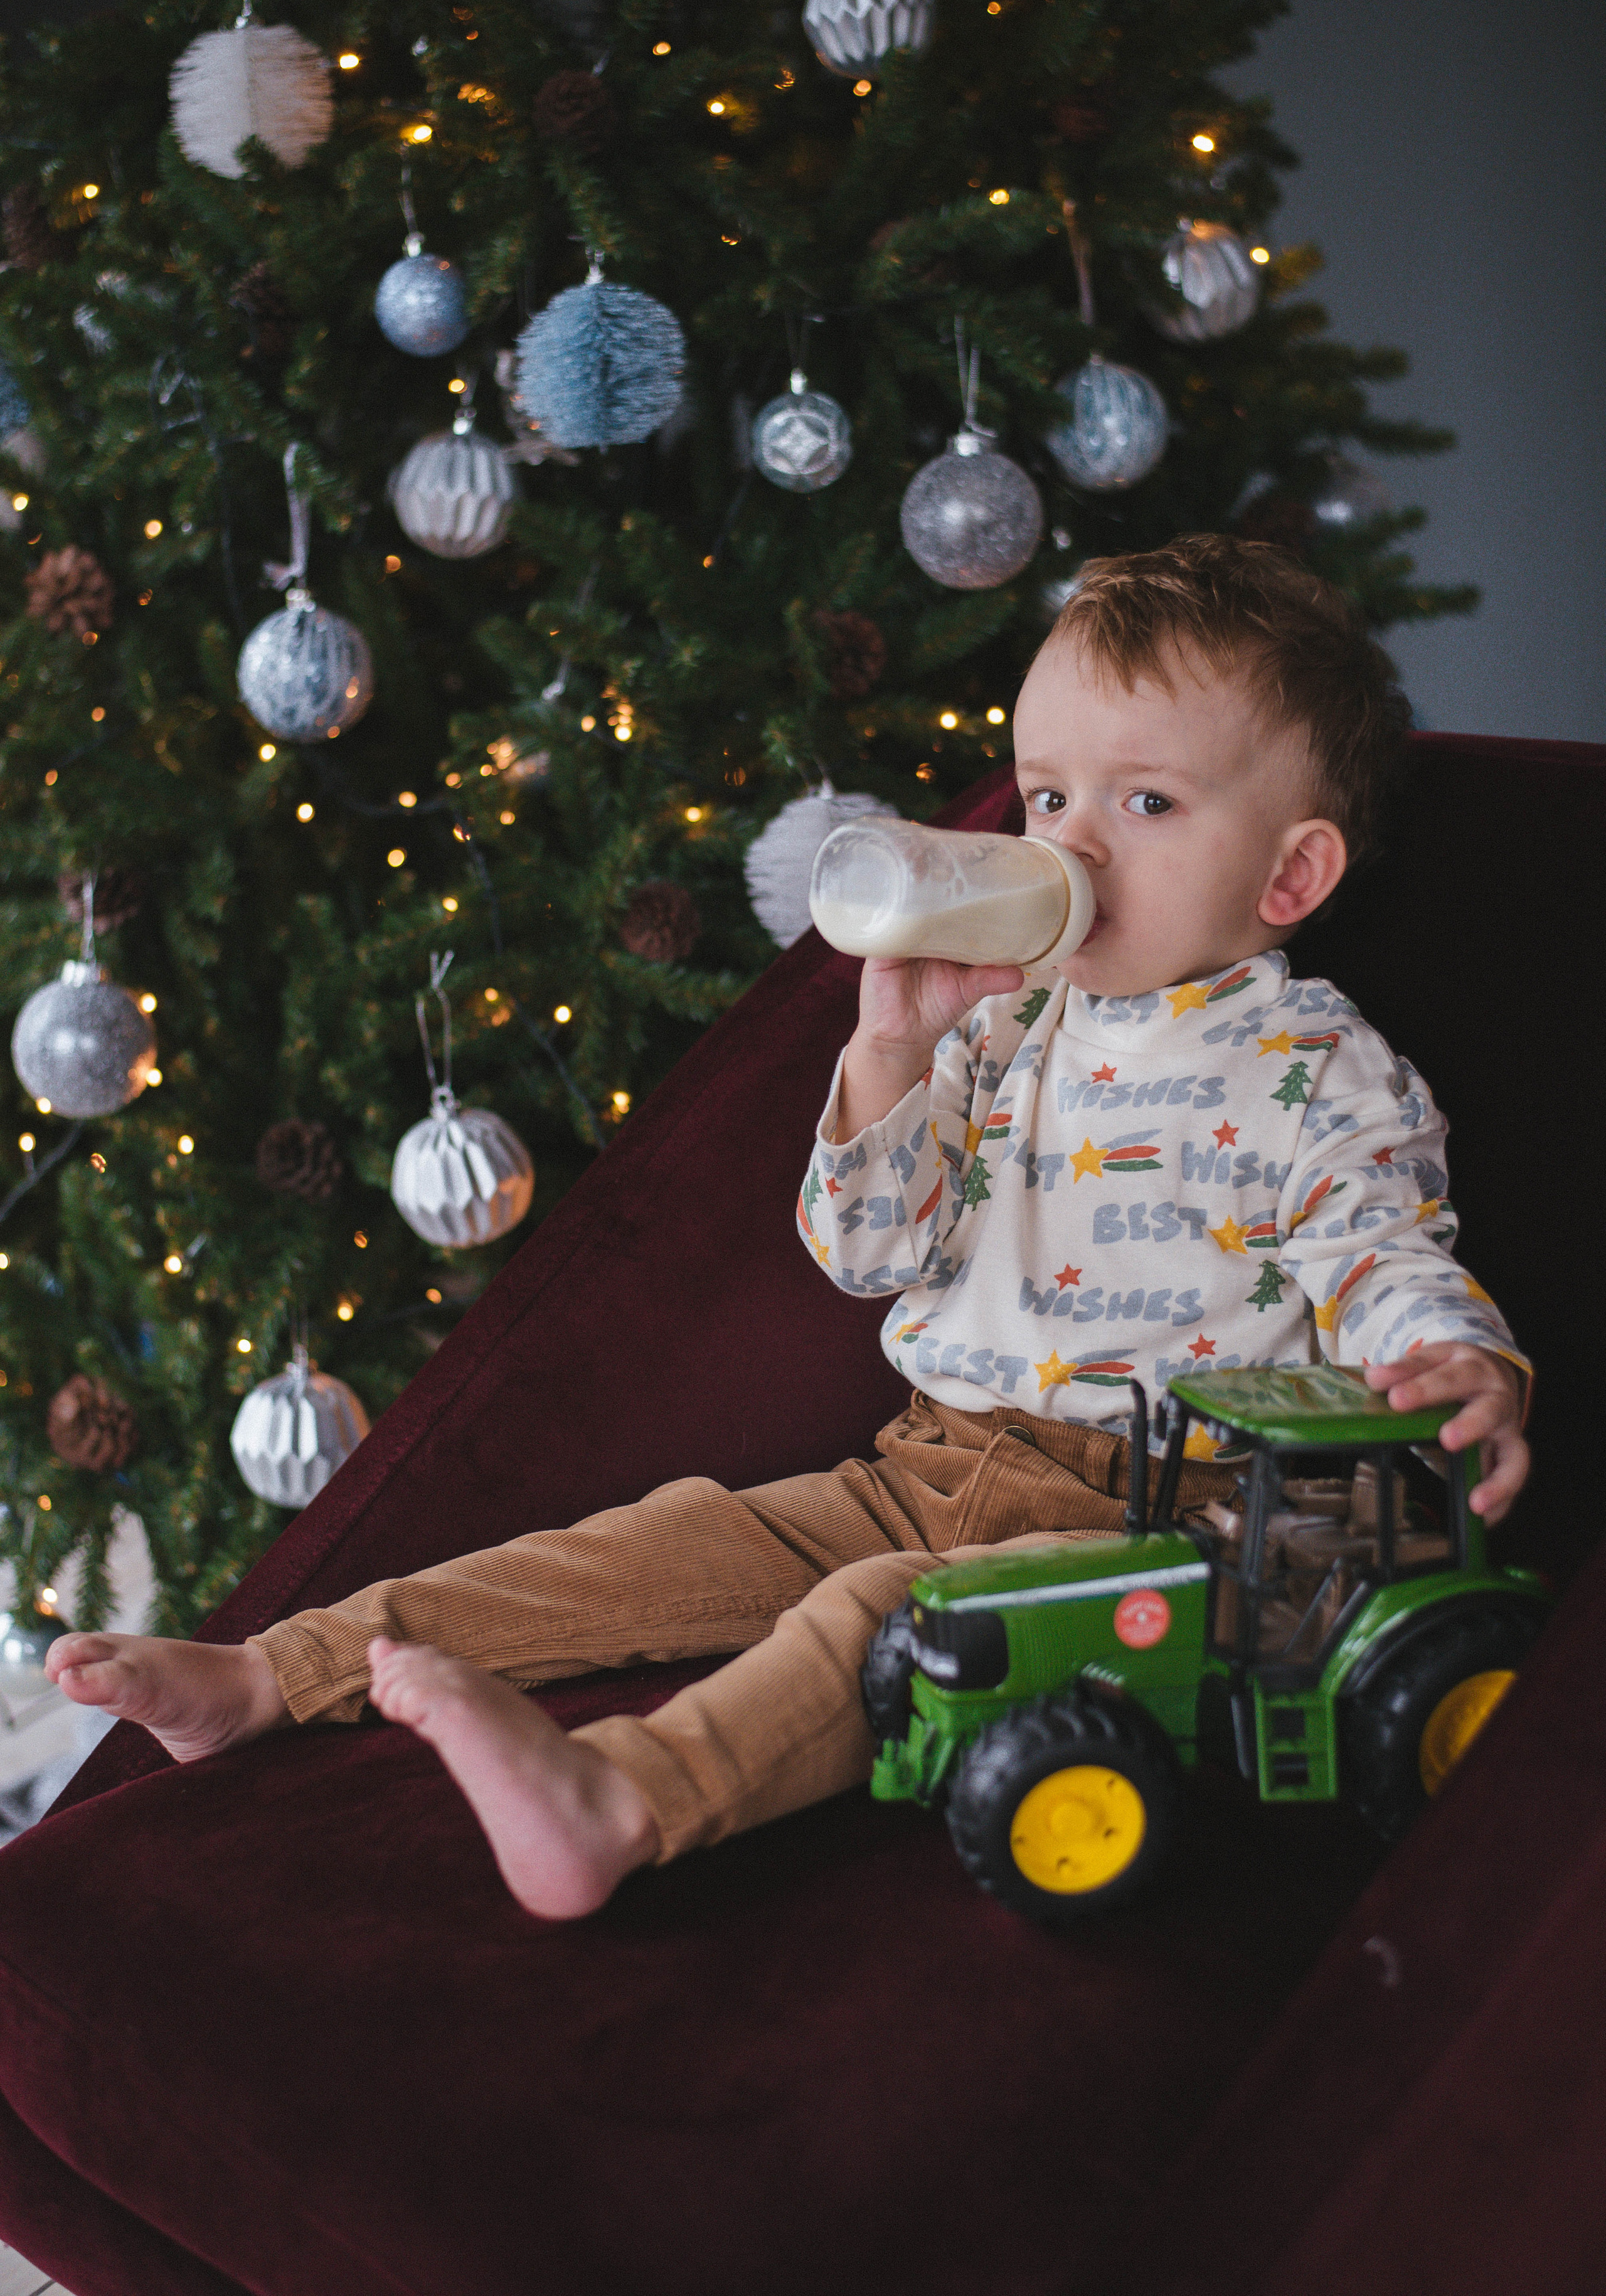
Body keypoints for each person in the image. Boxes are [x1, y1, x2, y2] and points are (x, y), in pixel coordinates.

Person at [46, 536, 1532, 1920]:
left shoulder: (1311, 1070)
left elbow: (1379, 1254)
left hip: (1151, 1514)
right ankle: (269, 1675)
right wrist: (888, 1052)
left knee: (883, 1617)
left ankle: (622, 1799)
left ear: (1287, 875)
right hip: (925, 1460)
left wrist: (1454, 1368)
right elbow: (866, 1253)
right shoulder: (1008, 1022)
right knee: (649, 1548)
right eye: (1044, 798)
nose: (1073, 847)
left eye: (1142, 803)